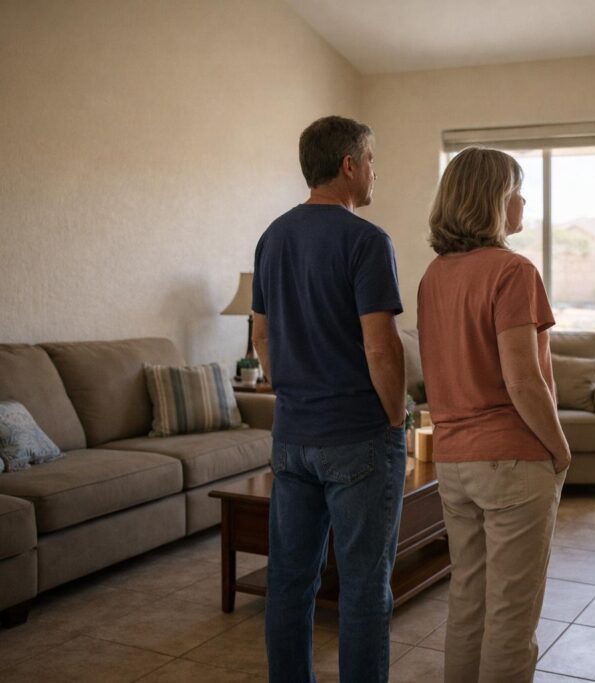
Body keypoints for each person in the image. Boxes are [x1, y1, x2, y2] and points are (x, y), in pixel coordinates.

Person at [251, 115, 407, 683]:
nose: (373, 172)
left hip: (291, 438)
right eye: (370, 161)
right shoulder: (367, 240)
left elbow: (261, 336)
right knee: (365, 588)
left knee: (290, 583)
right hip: (357, 437)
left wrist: (290, 390)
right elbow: (382, 350)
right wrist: (396, 417)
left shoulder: (272, 236)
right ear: (348, 165)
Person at [417, 147, 571, 683]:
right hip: (511, 458)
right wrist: (559, 447)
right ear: (493, 199)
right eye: (516, 188)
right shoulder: (513, 270)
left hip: (454, 462)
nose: (523, 199)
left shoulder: (434, 275)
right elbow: (523, 380)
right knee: (511, 615)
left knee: (468, 602)